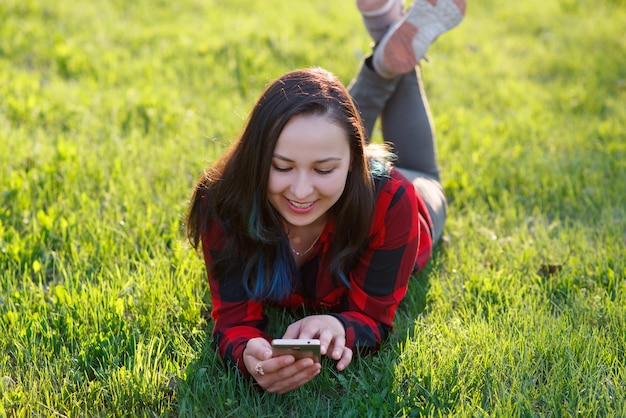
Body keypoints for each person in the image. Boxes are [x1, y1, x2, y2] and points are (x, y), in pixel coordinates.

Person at [186, 0, 464, 394]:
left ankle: (386, 34)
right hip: (347, 163)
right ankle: (386, 38)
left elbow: (374, 318)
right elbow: (233, 320)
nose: (300, 192)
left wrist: (341, 326)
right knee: (323, 122)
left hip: (416, 195)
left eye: (323, 170)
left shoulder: (392, 200)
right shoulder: (224, 201)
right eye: (281, 167)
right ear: (255, 156)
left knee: (423, 176)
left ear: (356, 159)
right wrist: (248, 352)